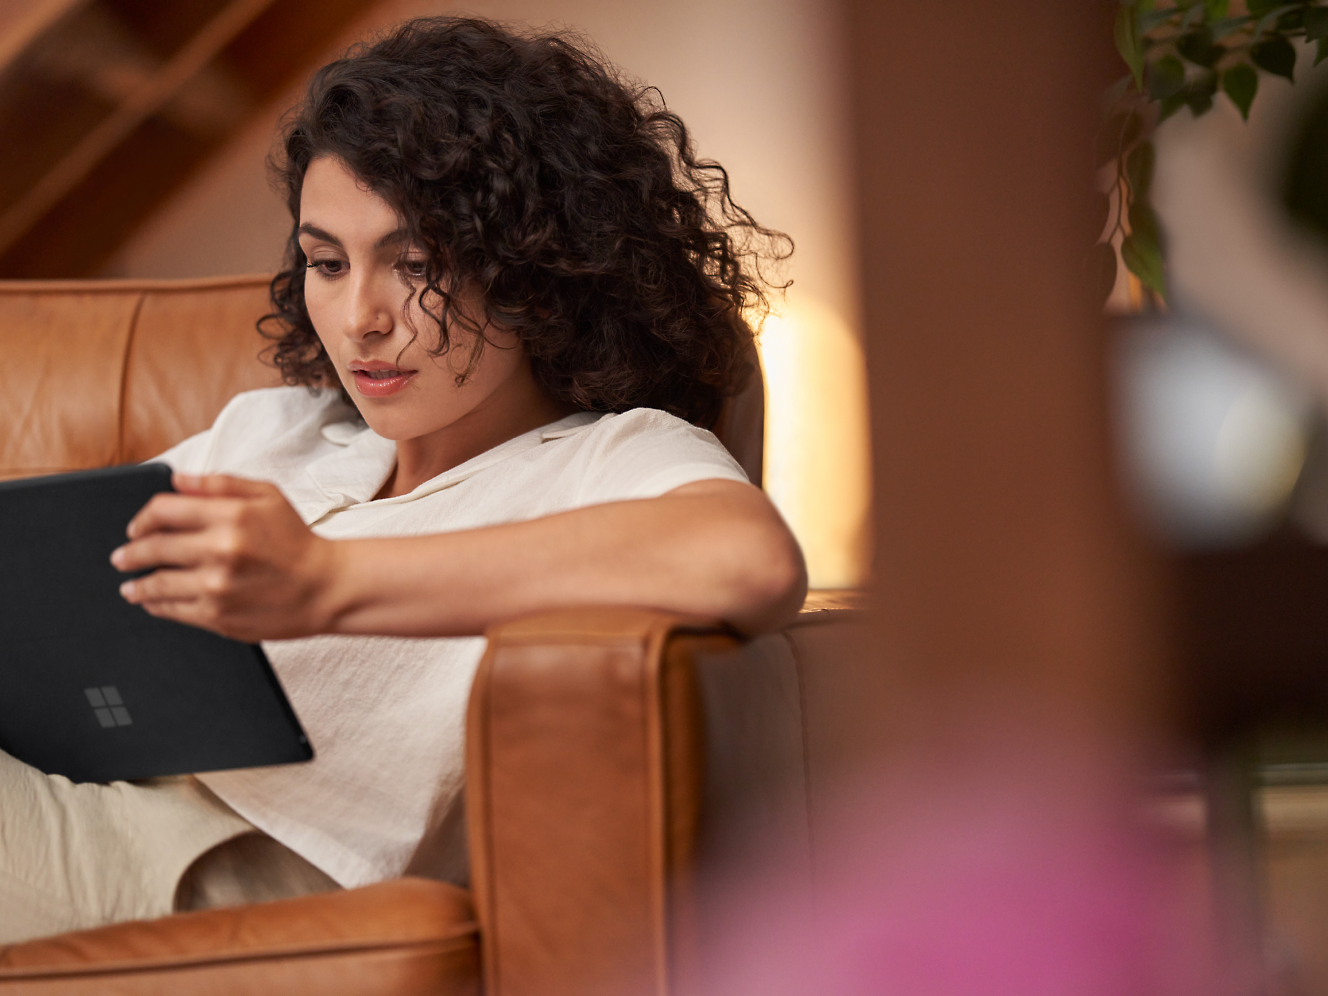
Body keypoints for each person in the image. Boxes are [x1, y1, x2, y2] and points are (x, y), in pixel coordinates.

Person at [0, 15, 804, 942]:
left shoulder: (604, 457)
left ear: (539, 269)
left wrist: (326, 582)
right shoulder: (276, 432)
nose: (360, 319)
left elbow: (746, 560)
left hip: (214, 869)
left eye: (415, 263)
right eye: (326, 264)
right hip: (79, 788)